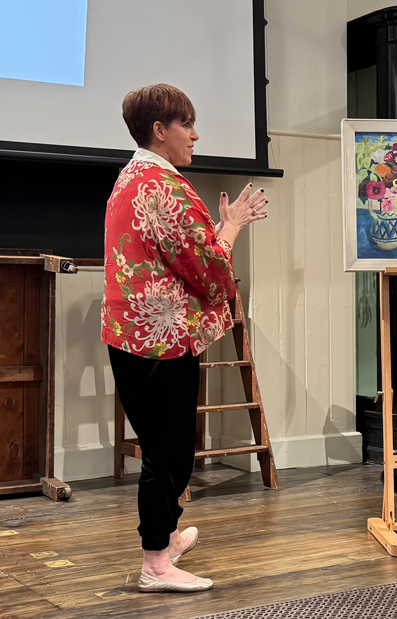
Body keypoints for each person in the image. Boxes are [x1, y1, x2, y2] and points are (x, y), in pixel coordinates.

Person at [101, 84, 268, 593]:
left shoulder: (132, 176)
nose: (195, 135)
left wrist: (217, 228)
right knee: (168, 451)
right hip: (158, 340)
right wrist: (233, 224)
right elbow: (214, 274)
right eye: (186, 125)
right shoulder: (163, 186)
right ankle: (155, 564)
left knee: (164, 444)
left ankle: (164, 538)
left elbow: (185, 256)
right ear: (159, 130)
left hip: (134, 334)